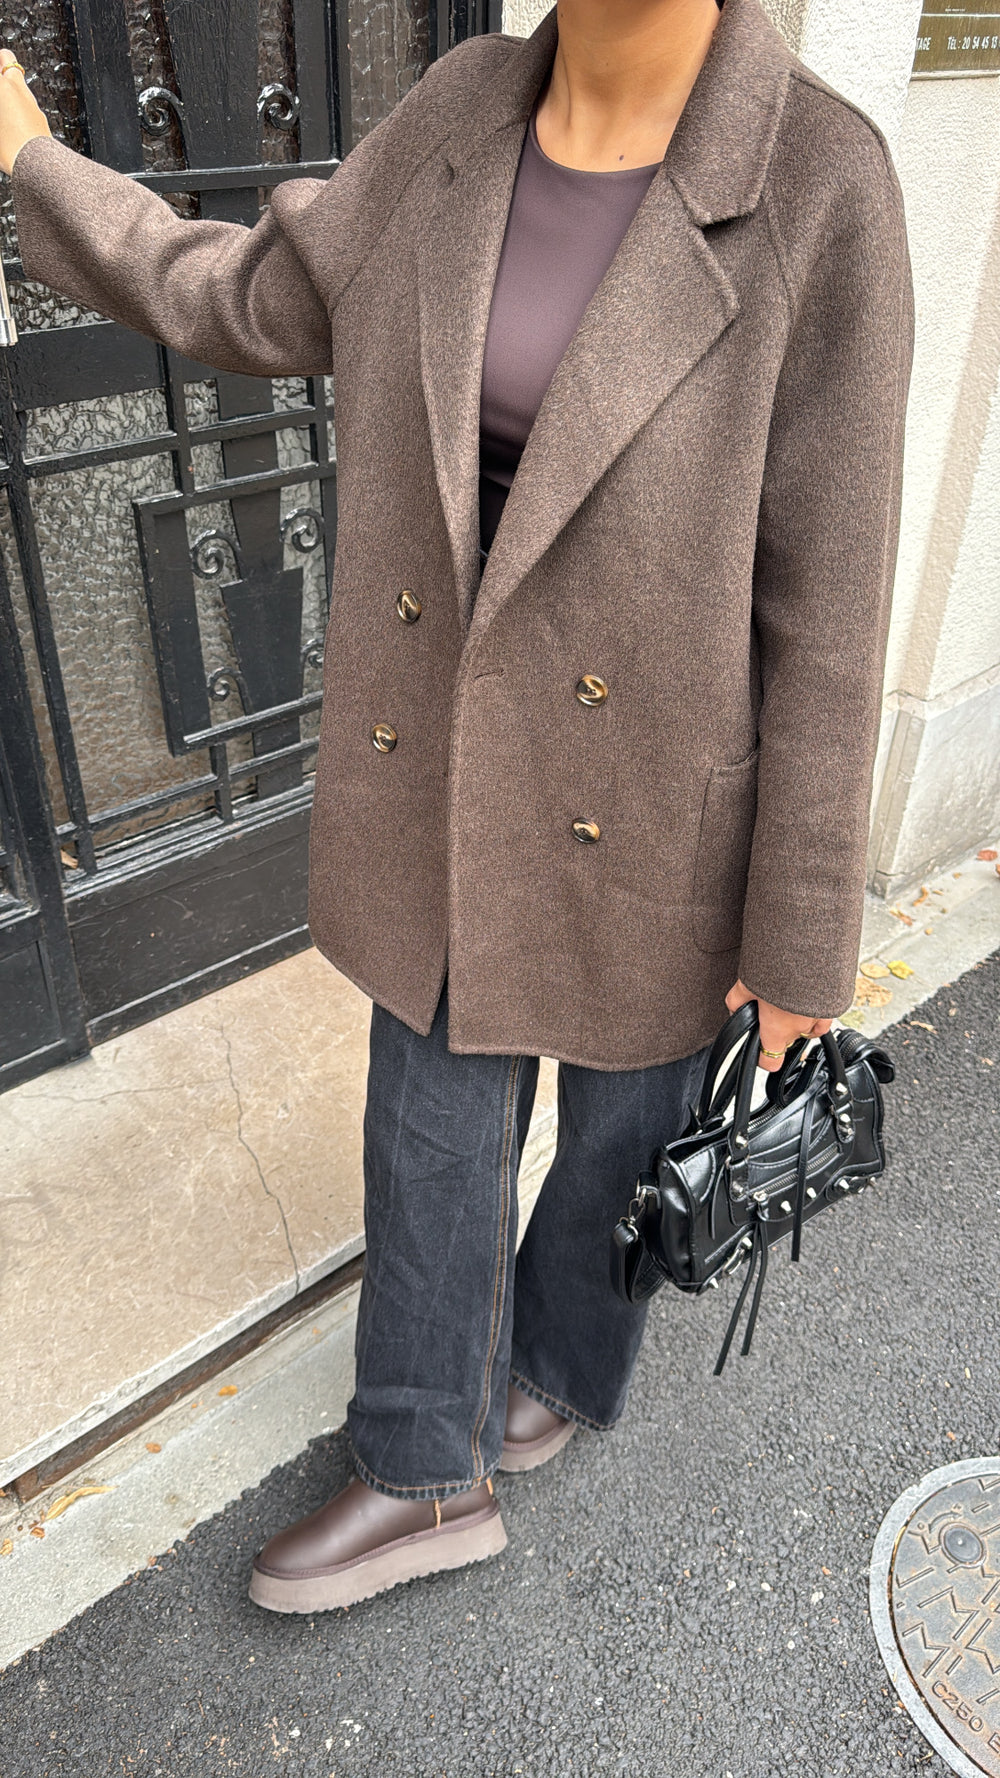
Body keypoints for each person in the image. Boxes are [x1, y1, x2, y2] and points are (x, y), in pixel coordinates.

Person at [0, 0, 914, 1616]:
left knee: (624, 1132)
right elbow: (241, 290)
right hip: (452, 760)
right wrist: (32, 163)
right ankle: (423, 1465)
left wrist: (799, 942)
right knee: (428, 1120)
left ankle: (557, 1362)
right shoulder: (465, 108)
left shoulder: (820, 183)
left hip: (662, 793)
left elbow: (829, 615)